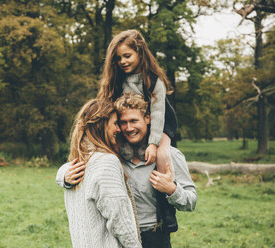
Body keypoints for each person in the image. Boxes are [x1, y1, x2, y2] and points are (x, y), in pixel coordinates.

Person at [57, 93, 197, 248]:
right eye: (123, 122)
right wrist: (63, 175)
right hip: (120, 238)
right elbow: (87, 161)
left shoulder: (169, 155)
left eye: (133, 121)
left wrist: (172, 190)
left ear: (147, 119)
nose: (129, 128)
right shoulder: (113, 154)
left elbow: (191, 202)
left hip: (156, 237)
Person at [60, 98, 142, 248]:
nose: (119, 130)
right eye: (115, 123)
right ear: (101, 124)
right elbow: (120, 220)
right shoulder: (106, 162)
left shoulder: (78, 162)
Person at [97, 29, 177, 176]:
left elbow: (158, 114)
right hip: (131, 123)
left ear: (140, 53)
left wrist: (153, 144)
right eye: (118, 58)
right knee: (114, 154)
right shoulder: (117, 80)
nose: (122, 62)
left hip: (161, 123)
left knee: (162, 155)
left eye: (127, 56)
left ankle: (166, 189)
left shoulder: (153, 81)